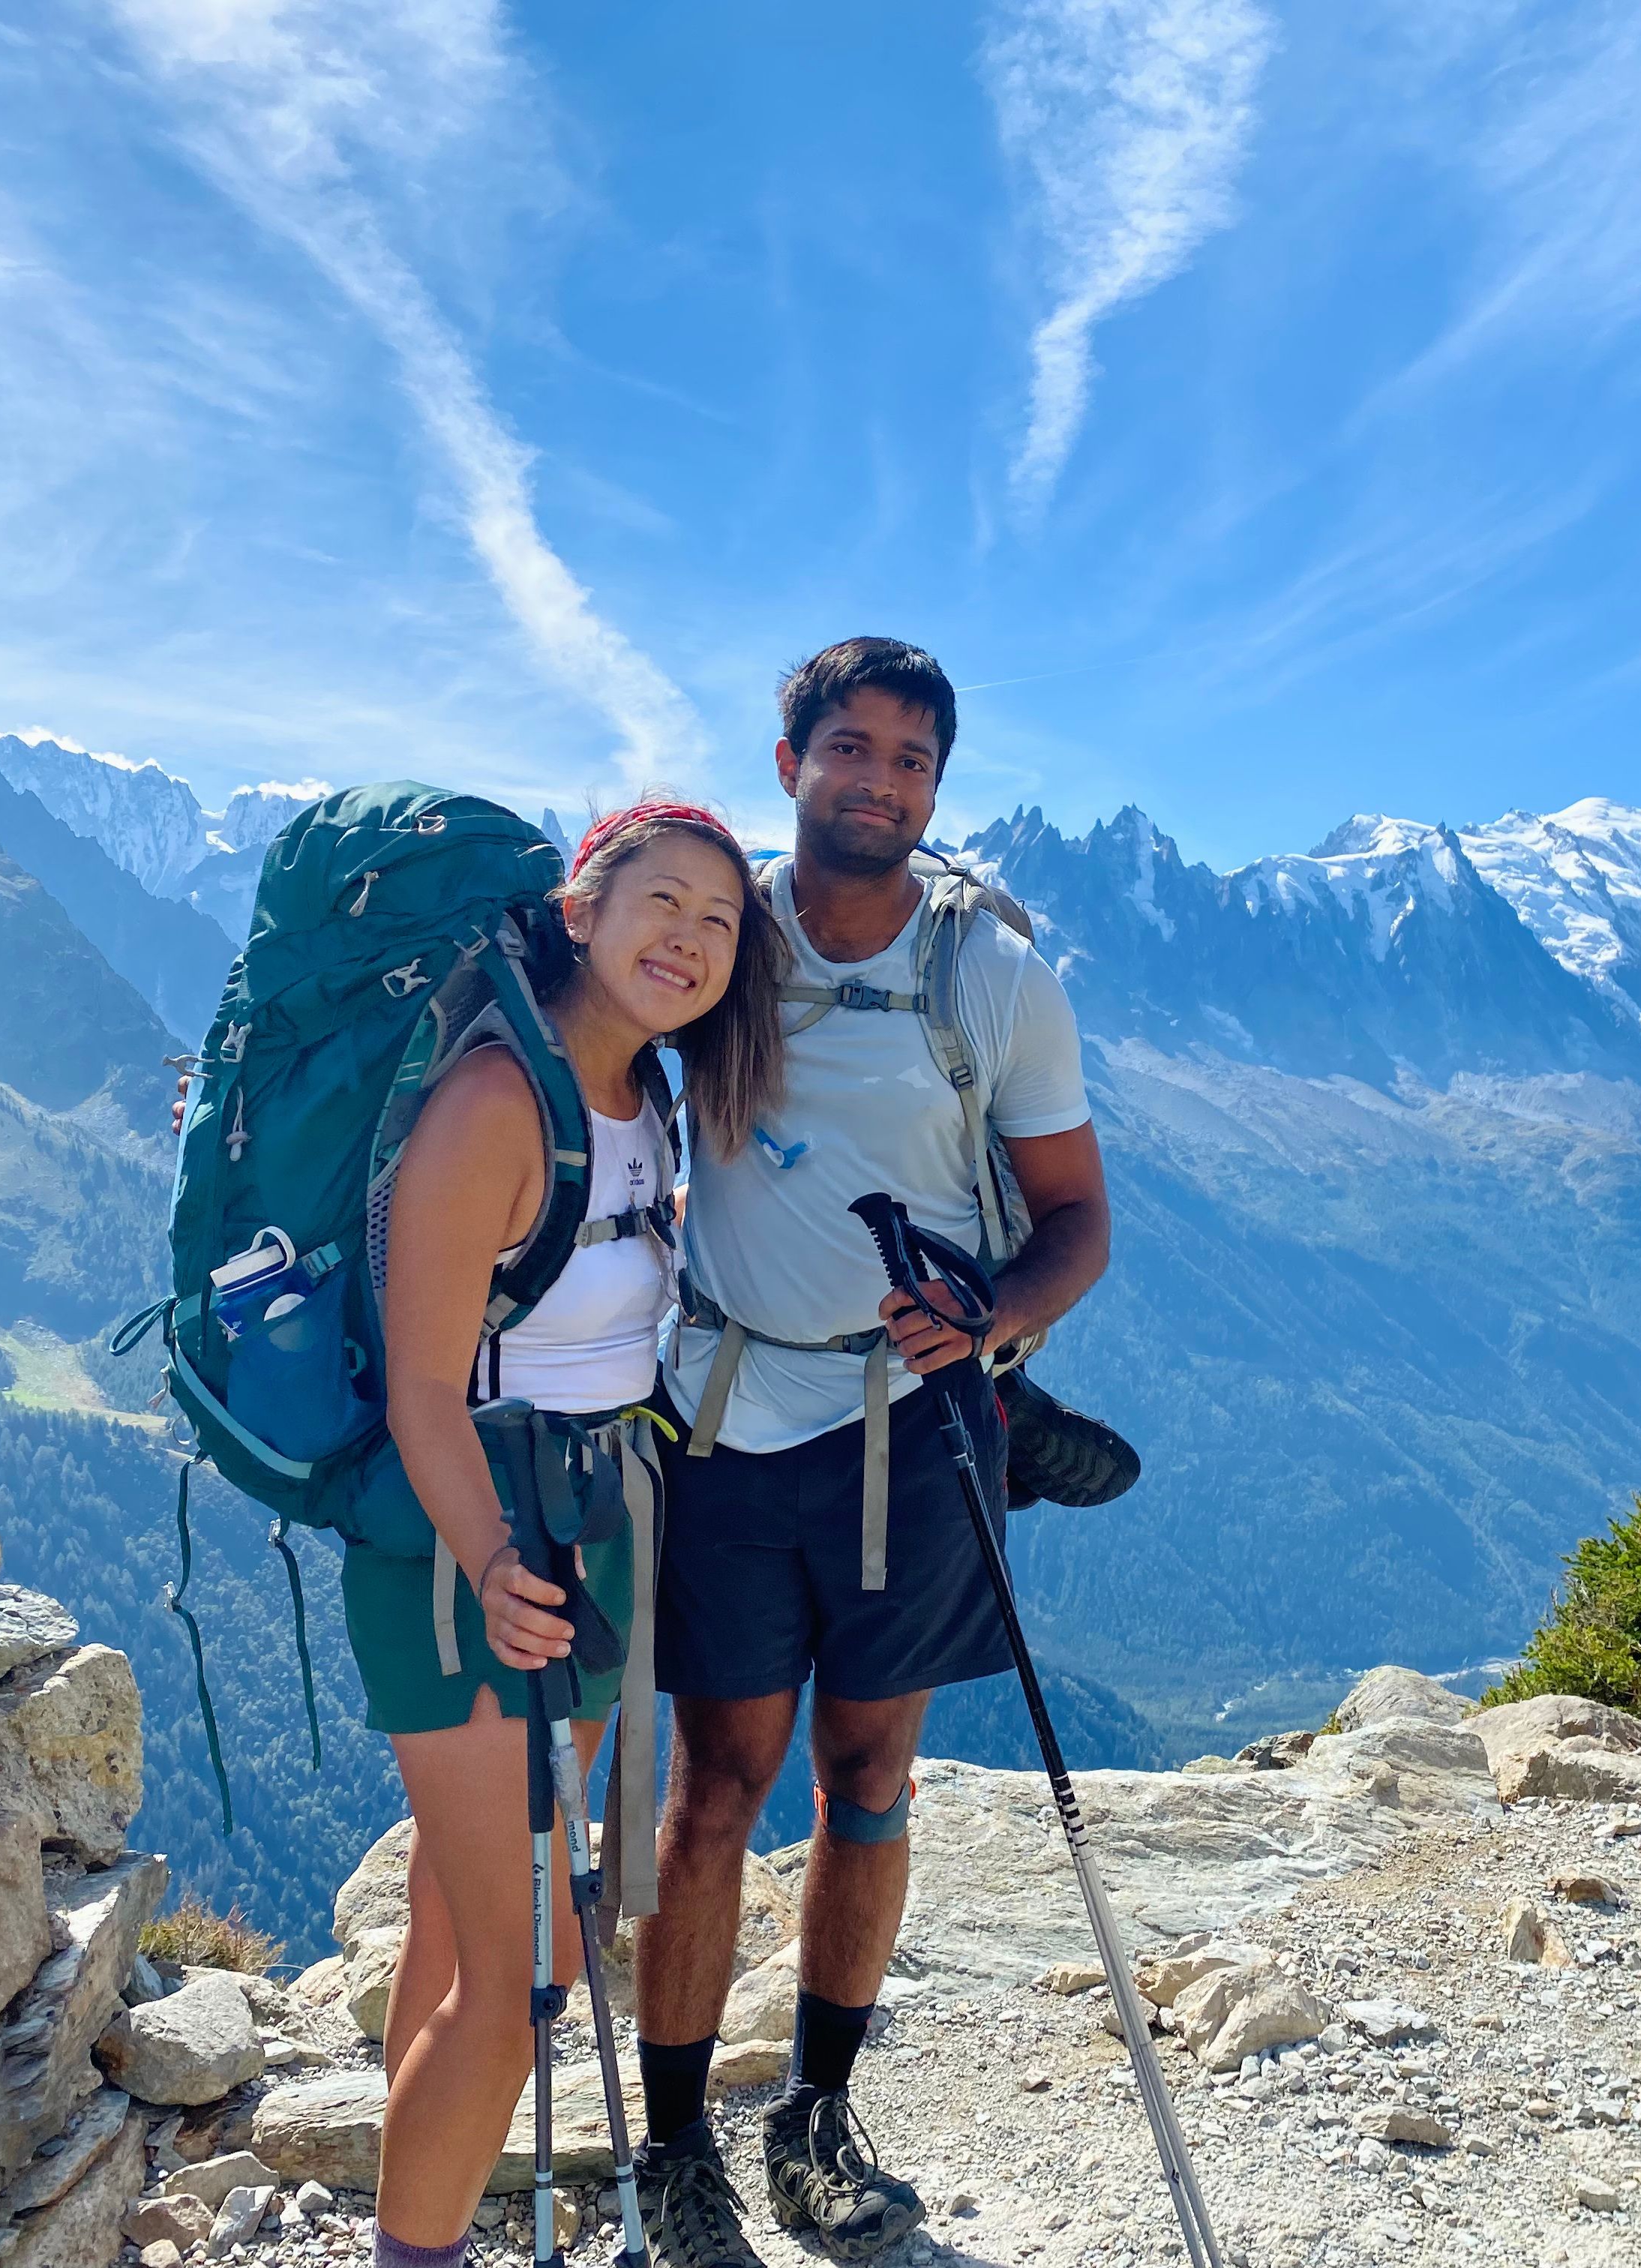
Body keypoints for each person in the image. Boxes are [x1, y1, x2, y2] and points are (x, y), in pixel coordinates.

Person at [628, 640, 1112, 2266]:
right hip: (724, 1421)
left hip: (913, 1434)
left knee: (866, 1777)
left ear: (935, 785)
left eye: (912, 757)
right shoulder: (716, 941)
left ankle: (815, 2118)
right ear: (788, 764)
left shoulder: (992, 975)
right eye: (853, 747)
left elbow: (1077, 1226)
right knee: (717, 1791)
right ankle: (678, 2147)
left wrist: (986, 1332)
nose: (881, 780)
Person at [359, 802, 788, 2268]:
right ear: (582, 907)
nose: (689, 938)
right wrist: (490, 1565)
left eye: (721, 921)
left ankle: (421, 2208)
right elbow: (423, 1386)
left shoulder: (642, 1100)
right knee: (528, 1975)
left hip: (587, 1532)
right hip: (468, 1553)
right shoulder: (499, 1105)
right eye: (660, 902)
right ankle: (414, 2253)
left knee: (461, 1924)